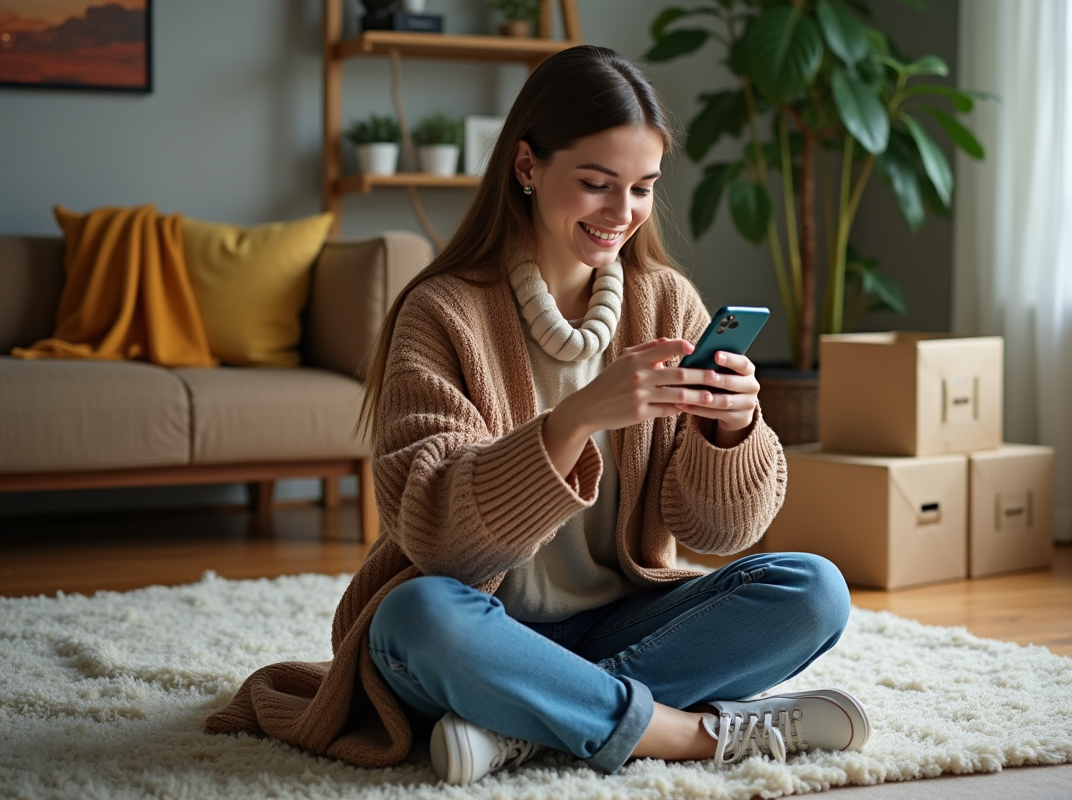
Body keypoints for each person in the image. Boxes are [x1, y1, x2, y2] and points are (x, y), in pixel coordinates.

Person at [204, 43, 867, 786]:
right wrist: (573, 420)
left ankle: (524, 721)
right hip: (480, 626)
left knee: (813, 591)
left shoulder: (666, 302)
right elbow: (439, 541)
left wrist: (732, 431)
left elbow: (720, 534)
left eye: (643, 187)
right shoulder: (441, 313)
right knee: (414, 620)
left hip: (619, 618)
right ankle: (684, 734)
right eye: (596, 183)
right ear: (526, 166)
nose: (623, 213)